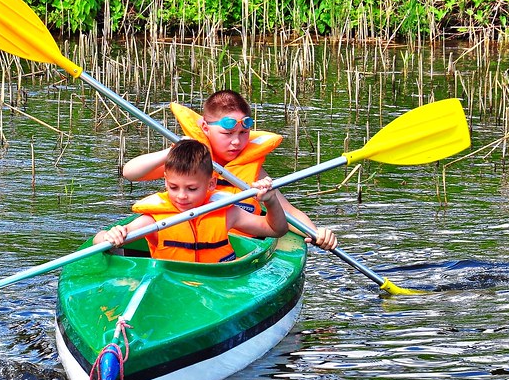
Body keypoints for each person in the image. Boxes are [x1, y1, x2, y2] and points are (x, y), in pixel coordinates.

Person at [121, 89, 338, 251]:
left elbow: (289, 214)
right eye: (227, 134)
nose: (236, 142)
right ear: (205, 128)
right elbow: (130, 172)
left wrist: (317, 233)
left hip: (239, 248)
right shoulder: (191, 162)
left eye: (243, 134)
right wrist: (172, 151)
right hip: (182, 243)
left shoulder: (253, 172)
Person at [94, 139, 288, 262]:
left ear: (211, 184)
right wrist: (112, 236)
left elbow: (276, 229)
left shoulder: (226, 212)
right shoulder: (154, 220)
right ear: (166, 182)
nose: (181, 196)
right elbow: (99, 241)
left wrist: (270, 201)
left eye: (192, 189)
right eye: (173, 187)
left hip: (217, 286)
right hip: (172, 288)